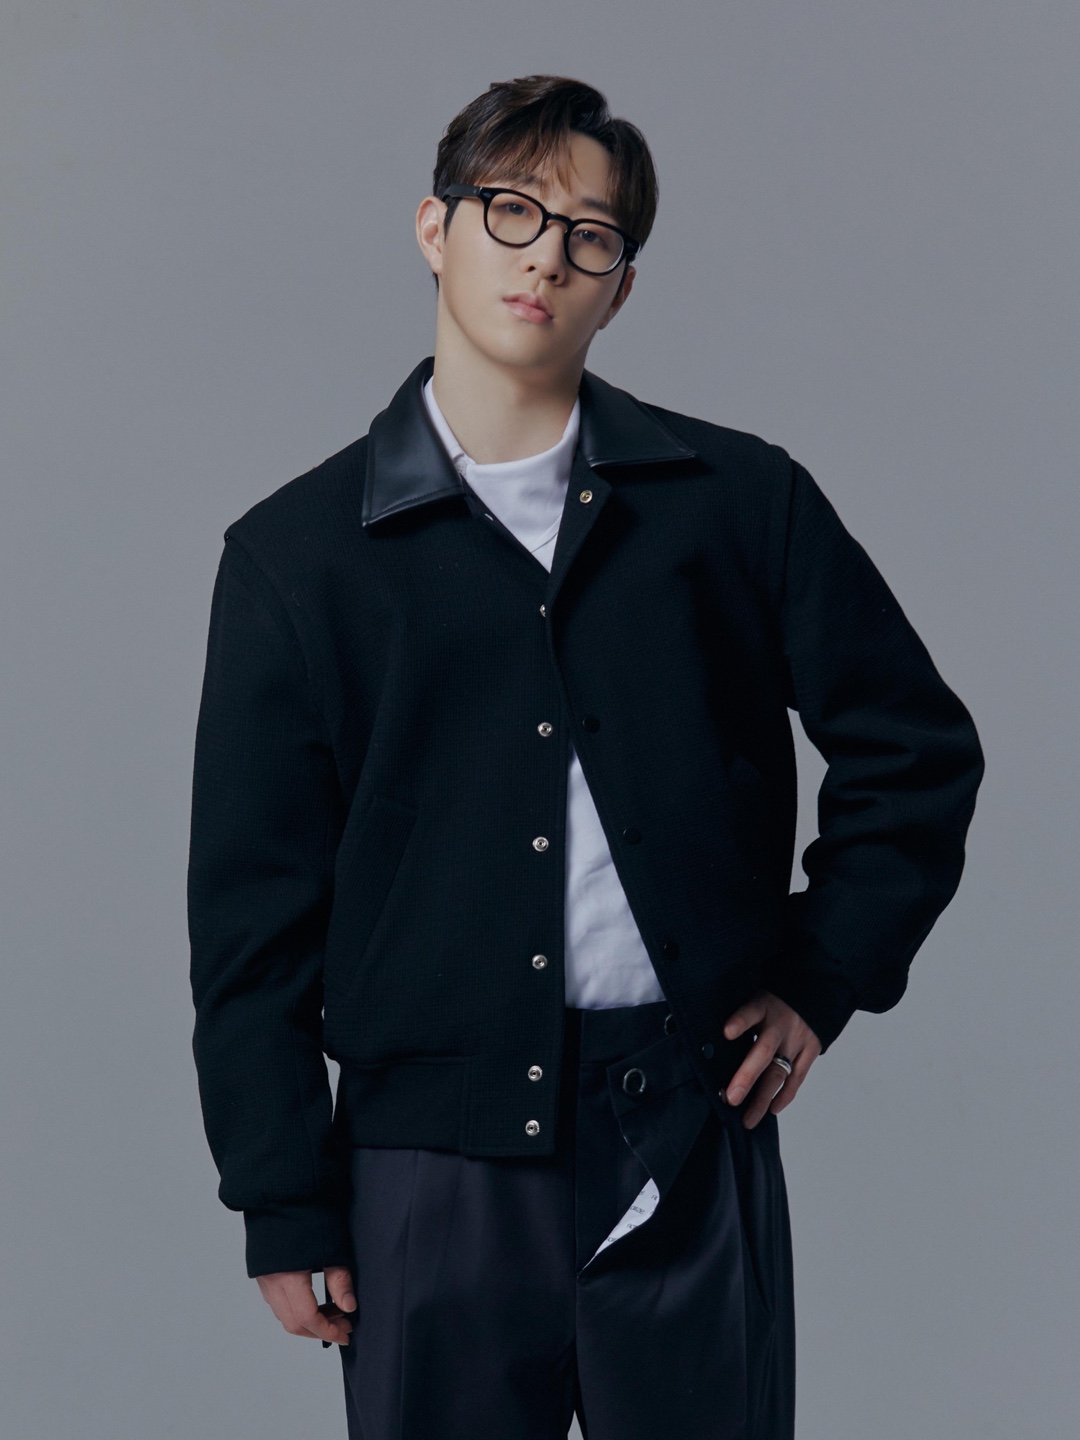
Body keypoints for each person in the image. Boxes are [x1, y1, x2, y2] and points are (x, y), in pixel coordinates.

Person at [187, 75, 985, 1440]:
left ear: (619, 286)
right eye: (513, 211)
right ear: (434, 228)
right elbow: (250, 918)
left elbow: (915, 751)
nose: (546, 256)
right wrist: (281, 1194)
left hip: (683, 1122)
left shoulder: (737, 506)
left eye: (590, 235)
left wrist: (819, 977)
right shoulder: (297, 559)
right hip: (424, 1160)